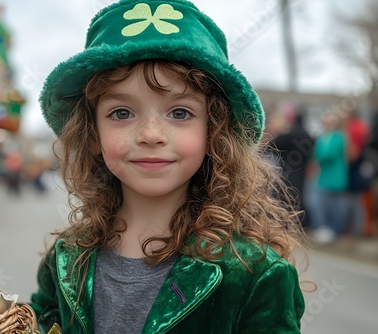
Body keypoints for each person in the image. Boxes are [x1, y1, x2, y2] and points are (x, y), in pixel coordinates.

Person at [30, 1, 306, 333]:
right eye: (121, 113)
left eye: (179, 113)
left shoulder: (257, 274)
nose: (150, 135)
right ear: (93, 134)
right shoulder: (65, 259)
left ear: (213, 132)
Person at [272, 108, 314, 228]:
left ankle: (285, 223)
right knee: (299, 198)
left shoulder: (290, 134)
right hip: (301, 172)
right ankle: (301, 224)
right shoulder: (308, 136)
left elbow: (272, 145)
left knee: (285, 198)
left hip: (286, 170)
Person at [310, 112, 349, 243]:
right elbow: (315, 155)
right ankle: (322, 228)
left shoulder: (339, 137)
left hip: (336, 177)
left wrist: (319, 156)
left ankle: (335, 231)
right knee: (319, 204)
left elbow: (327, 155)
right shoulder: (322, 138)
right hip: (323, 177)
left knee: (337, 207)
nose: (328, 124)